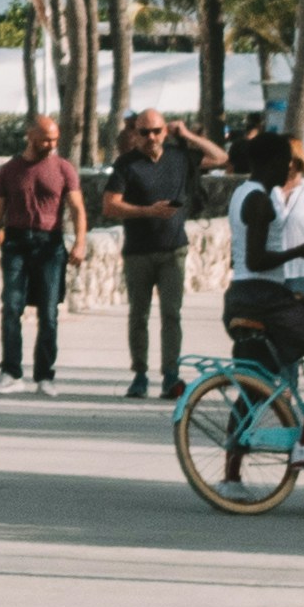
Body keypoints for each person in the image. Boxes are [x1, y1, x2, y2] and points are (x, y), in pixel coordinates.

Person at [217, 126, 304, 463]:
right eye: (286, 162)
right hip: (264, 298)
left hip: (243, 295)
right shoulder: (260, 200)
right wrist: (300, 252)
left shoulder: (243, 193)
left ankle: (231, 475)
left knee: (255, 387)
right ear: (272, 162)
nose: (289, 169)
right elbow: (257, 259)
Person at [105, 110, 218, 397]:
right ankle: (140, 375)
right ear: (136, 134)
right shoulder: (127, 164)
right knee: (138, 315)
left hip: (173, 250)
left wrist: (188, 135)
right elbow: (109, 205)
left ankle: (171, 375)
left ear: (165, 131)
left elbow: (221, 158)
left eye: (156, 131)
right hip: (138, 253)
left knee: (171, 315)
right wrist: (147, 211)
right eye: (144, 132)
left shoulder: (179, 157)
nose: (150, 138)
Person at [0, 114, 80, 394]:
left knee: (49, 312)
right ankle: (11, 372)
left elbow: (77, 208)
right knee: (12, 308)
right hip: (16, 242)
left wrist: (81, 242)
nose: (51, 144)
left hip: (50, 244)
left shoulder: (64, 168)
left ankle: (45, 375)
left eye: (54, 138)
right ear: (30, 135)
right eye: (46, 138)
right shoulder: (9, 170)